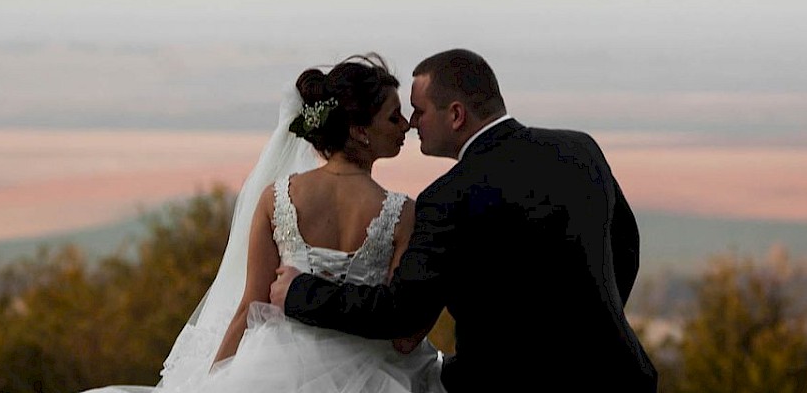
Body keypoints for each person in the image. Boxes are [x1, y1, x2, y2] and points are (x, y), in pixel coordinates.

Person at [271, 49, 658, 392]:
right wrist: (589, 326)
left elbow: (401, 313)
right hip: (619, 377)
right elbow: (625, 249)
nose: (411, 123)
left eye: (420, 111)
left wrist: (301, 292)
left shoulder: (447, 198)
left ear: (455, 115)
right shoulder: (580, 149)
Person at [85, 53, 443, 393]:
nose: (407, 125)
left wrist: (214, 381)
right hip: (374, 372)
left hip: (272, 367)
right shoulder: (402, 212)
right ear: (359, 130)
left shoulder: (278, 197)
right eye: (394, 117)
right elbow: (400, 332)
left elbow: (250, 305)